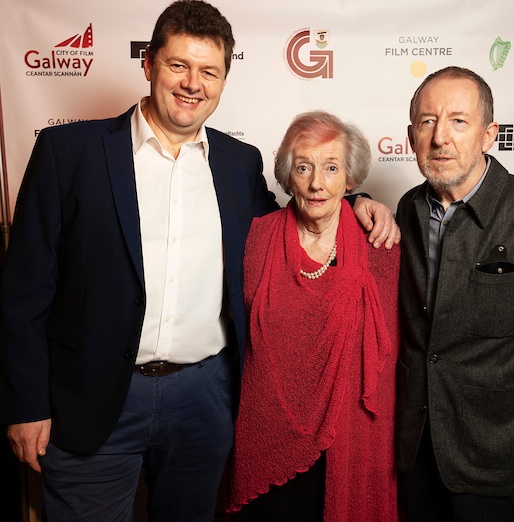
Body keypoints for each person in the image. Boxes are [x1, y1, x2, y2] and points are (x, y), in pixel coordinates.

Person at [0, 2, 399, 521]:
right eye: (178, 65)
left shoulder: (238, 164)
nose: (193, 83)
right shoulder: (66, 152)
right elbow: (24, 292)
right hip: (93, 397)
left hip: (203, 399)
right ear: (149, 64)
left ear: (224, 80)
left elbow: (293, 219)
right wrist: (26, 404)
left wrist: (355, 199)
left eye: (209, 71)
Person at [395, 65, 514, 522]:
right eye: (427, 122)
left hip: (500, 467)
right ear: (410, 136)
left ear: (489, 134)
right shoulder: (405, 209)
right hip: (415, 455)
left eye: (459, 121)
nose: (440, 136)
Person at [227, 111, 401, 522]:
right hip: (268, 437)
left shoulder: (382, 248)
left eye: (331, 168)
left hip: (351, 441)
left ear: (351, 179)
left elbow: (392, 366)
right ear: (288, 176)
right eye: (304, 167)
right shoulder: (256, 239)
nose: (317, 183)